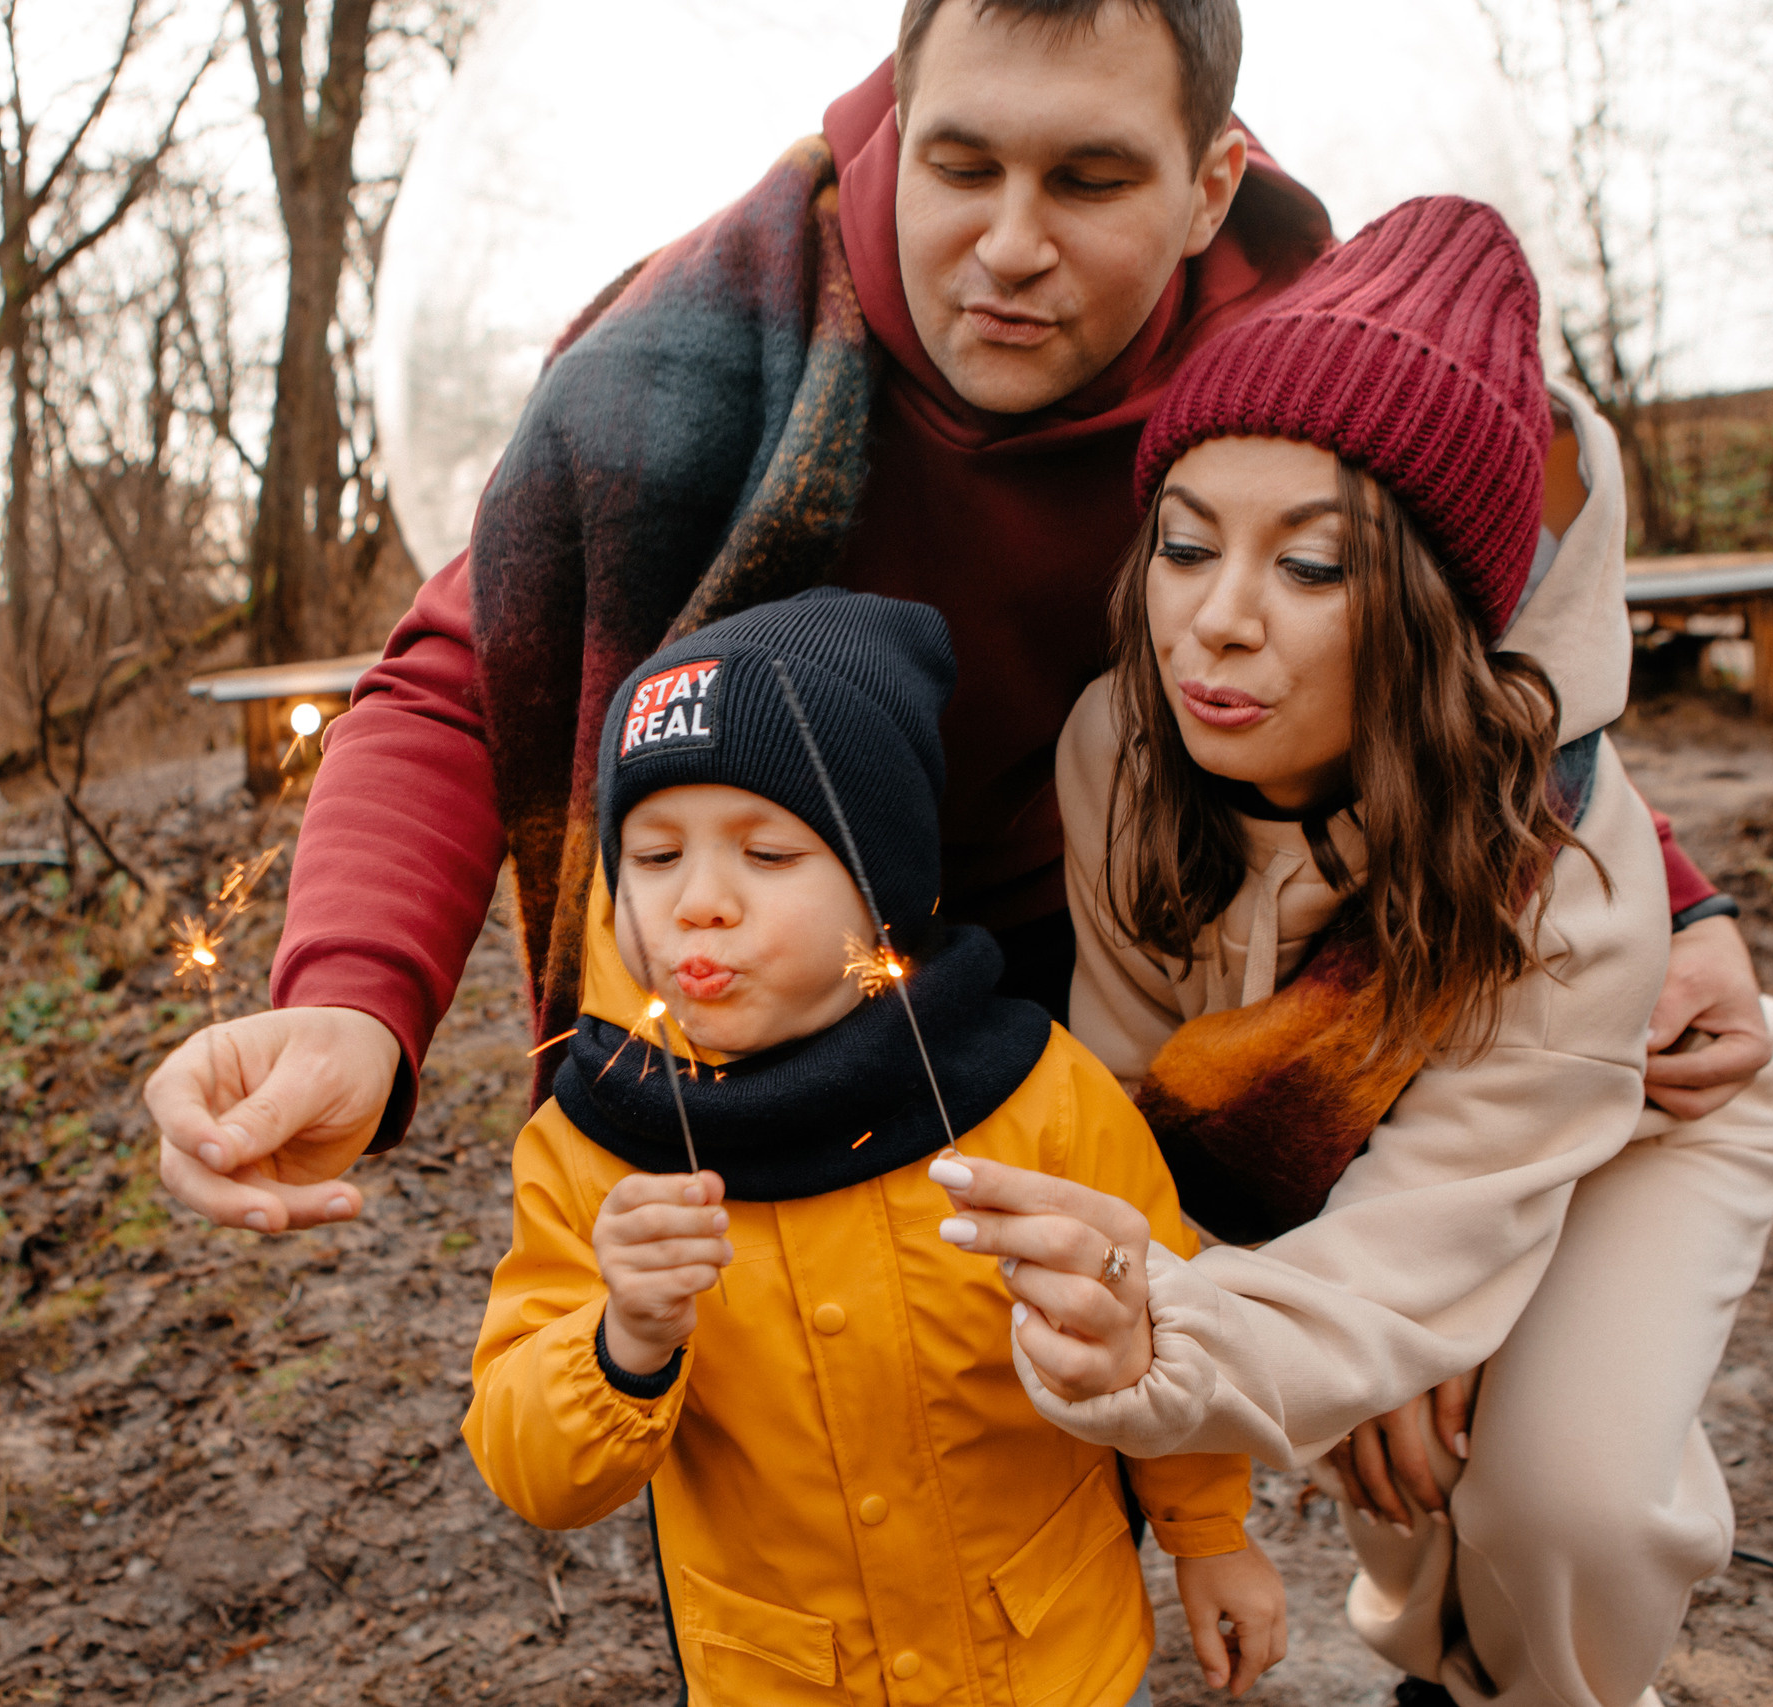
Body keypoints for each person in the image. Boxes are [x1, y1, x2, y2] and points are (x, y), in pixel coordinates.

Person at [144, 0, 1773, 1245]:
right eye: (963, 164)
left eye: (1089, 179)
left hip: (1136, 974)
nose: (1008, 247)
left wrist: (1674, 899)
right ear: (892, 123)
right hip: (783, 994)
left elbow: (1471, 651)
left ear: (1212, 184)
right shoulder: (694, 370)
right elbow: (453, 681)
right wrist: (351, 997)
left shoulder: (1307, 355)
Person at [930, 198, 1773, 1707]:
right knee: (1393, 1437)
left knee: (1566, 1501)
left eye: (1314, 569)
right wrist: (1237, 1317)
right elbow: (1162, 1102)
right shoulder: (1117, 755)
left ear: (1427, 607)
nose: (1216, 622)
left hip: (1637, 1106)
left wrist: (1416, 1304)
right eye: (1187, 546)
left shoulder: (1572, 867)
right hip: (1355, 1149)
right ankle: (1431, 1661)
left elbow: (1431, 1230)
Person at [465, 588, 1287, 1704]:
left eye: (766, 851)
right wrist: (624, 1341)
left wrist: (1209, 1534)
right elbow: (531, 1472)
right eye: (653, 858)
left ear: (881, 887)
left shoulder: (1030, 1094)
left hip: (1051, 1661)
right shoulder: (598, 1148)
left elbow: (1157, 1314)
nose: (700, 902)